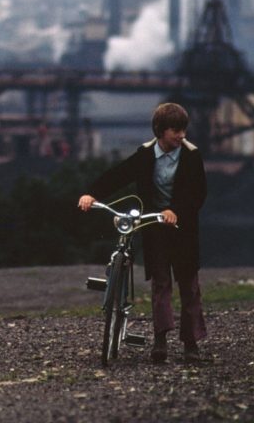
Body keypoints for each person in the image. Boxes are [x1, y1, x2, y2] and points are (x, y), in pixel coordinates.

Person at [78, 102, 208, 363]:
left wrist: (176, 211)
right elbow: (119, 175)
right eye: (175, 130)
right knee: (161, 283)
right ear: (160, 130)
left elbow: (198, 193)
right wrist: (91, 193)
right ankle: (160, 340)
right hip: (154, 227)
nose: (181, 135)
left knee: (189, 286)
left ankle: (191, 343)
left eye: (183, 130)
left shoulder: (192, 156)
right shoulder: (146, 155)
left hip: (183, 229)